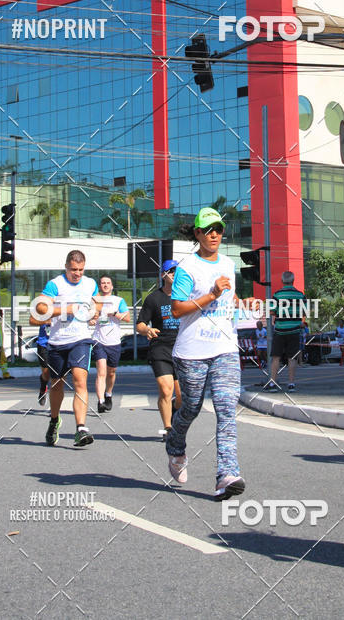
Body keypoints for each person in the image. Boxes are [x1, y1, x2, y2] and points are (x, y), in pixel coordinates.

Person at [166, 207, 245, 502]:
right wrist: (211, 294)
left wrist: (240, 302)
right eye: (208, 229)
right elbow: (177, 309)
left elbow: (229, 296)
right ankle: (175, 444)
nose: (214, 234)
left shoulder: (227, 263)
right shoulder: (188, 268)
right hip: (192, 352)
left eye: (219, 229)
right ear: (197, 234)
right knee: (191, 408)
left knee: (226, 409)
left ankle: (227, 474)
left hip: (225, 348)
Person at [29, 250, 99, 447]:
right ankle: (54, 420)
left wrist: (94, 314)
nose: (77, 273)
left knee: (80, 380)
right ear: (66, 267)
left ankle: (81, 428)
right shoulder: (55, 284)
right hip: (58, 341)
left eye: (81, 270)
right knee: (57, 384)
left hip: (81, 339)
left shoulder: (90, 284)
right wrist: (65, 309)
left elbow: (95, 303)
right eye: (74, 270)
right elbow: (40, 309)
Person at [137, 259, 182, 440]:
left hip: (182, 350)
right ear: (163, 275)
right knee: (165, 389)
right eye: (170, 271)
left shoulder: (185, 296)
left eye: (176, 270)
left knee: (183, 398)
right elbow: (139, 324)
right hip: (160, 349)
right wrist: (147, 329)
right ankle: (168, 428)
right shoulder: (153, 298)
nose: (173, 273)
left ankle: (172, 410)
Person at [92, 276, 130, 413]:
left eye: (108, 283)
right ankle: (101, 401)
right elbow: (89, 319)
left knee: (111, 372)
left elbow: (127, 318)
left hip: (114, 341)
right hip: (98, 340)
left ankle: (108, 394)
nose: (106, 285)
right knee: (101, 371)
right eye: (103, 283)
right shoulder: (95, 301)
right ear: (100, 286)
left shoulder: (118, 300)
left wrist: (114, 313)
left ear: (112, 286)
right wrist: (92, 319)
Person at [266, 270, 308, 391]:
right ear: (293, 281)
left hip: (280, 330)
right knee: (292, 357)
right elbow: (304, 312)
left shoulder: (277, 295)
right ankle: (291, 383)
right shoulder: (300, 295)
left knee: (276, 357)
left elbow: (272, 311)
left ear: (282, 281)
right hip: (294, 330)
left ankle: (273, 383)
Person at [0, 309, 14, 379]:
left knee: (2, 360)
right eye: (1, 314)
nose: (2, 315)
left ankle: (5, 374)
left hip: (0, 345)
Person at [36, 321, 50, 407]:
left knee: (56, 376)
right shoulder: (44, 308)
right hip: (43, 344)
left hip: (59, 343)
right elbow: (33, 320)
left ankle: (55, 409)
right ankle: (43, 389)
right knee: (46, 373)